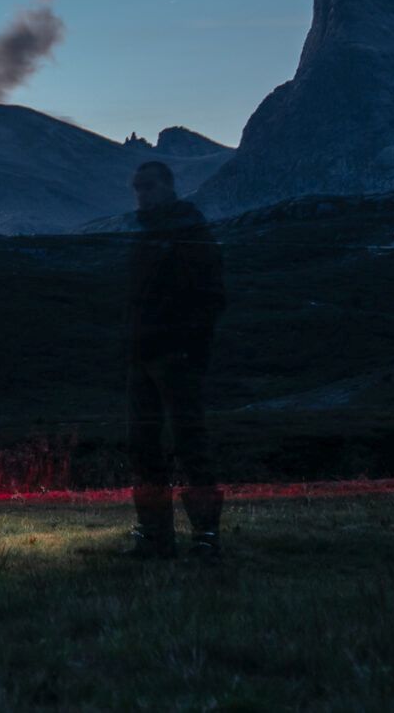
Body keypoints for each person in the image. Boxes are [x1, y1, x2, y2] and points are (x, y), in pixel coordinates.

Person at [123, 160, 227, 560]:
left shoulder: (190, 232)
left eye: (147, 187)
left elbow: (211, 296)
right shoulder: (148, 235)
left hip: (174, 357)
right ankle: (155, 537)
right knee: (143, 446)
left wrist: (188, 347)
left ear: (167, 186)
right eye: (137, 187)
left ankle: (205, 536)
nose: (141, 194)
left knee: (189, 442)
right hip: (143, 357)